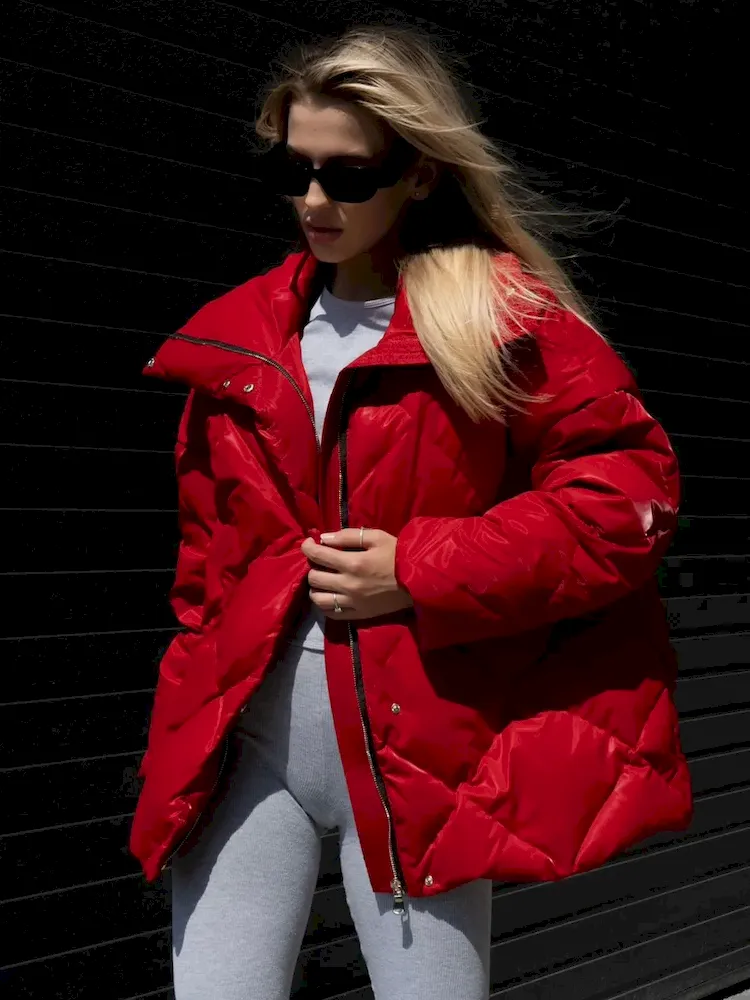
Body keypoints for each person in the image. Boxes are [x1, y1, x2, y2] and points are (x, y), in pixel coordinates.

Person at [129, 22, 694, 1000]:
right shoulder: (238, 341)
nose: (314, 201)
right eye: (294, 169)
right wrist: (185, 726)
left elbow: (627, 498)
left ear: (421, 173)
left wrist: (419, 568)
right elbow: (205, 572)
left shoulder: (499, 320)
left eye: (348, 177)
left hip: (418, 754)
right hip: (248, 749)